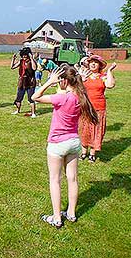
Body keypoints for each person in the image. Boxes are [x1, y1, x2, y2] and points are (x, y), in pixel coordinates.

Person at [32, 65, 98, 228]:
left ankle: (56, 217)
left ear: (63, 81)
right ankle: (71, 213)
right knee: (72, 178)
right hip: (74, 142)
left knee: (55, 180)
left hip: (57, 144)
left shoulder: (60, 98)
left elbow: (35, 97)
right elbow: (77, 88)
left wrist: (49, 82)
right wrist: (78, 78)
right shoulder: (80, 97)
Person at [79, 55, 117, 163]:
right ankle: (83, 152)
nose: (93, 64)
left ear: (100, 65)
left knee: (96, 131)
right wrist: (81, 79)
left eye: (96, 62)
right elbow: (76, 88)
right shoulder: (84, 75)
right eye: (91, 62)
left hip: (99, 108)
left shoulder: (103, 76)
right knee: (84, 130)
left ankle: (92, 154)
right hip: (86, 107)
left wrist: (109, 71)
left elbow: (110, 85)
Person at [11, 47, 37, 118]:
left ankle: (33, 113)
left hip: (30, 82)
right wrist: (13, 59)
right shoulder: (21, 61)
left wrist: (32, 58)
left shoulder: (31, 61)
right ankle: (17, 110)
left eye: (25, 56)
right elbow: (12, 67)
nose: (24, 57)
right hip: (22, 82)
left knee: (31, 98)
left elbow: (34, 68)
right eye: (23, 56)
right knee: (19, 97)